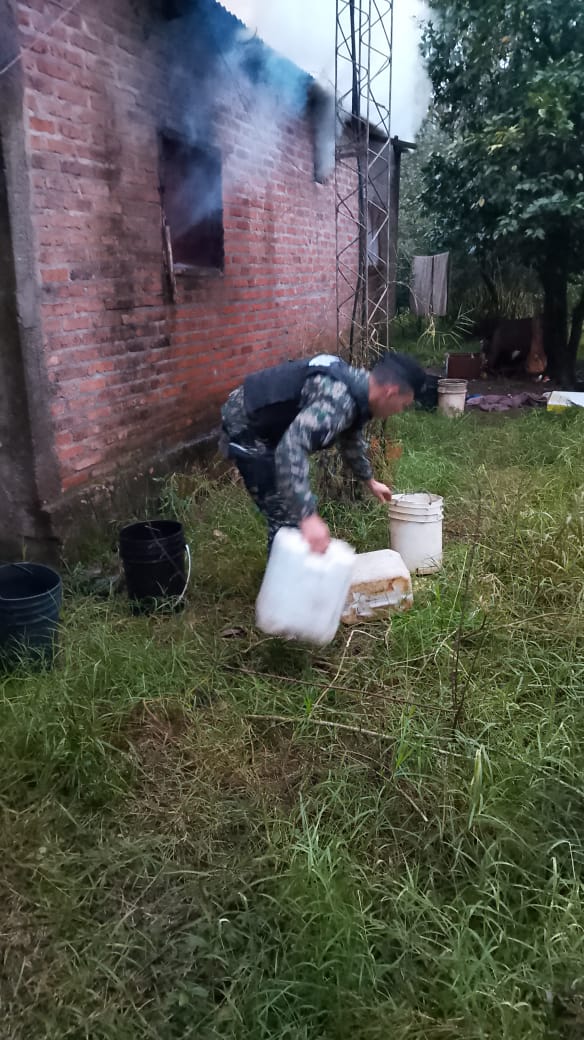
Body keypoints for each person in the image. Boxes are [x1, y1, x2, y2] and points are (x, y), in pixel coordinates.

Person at [219, 351, 429, 554]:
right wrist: (307, 515)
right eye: (403, 404)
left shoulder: (360, 389)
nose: (399, 411)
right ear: (390, 391)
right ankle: (284, 587)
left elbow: (351, 437)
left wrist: (369, 480)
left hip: (271, 425)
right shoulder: (337, 402)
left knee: (293, 515)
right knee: (288, 521)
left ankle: (293, 578)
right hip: (248, 423)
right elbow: (291, 447)